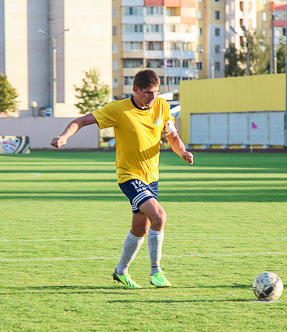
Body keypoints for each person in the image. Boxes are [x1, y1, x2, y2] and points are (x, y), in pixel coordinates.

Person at [51, 69, 194, 288]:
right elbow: (80, 120)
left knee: (141, 228)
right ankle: (156, 271)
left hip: (152, 178)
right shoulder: (118, 110)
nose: (153, 97)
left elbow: (172, 135)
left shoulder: (162, 106)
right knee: (159, 216)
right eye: (147, 92)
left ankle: (120, 272)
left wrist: (182, 151)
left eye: (156, 92)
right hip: (129, 177)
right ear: (135, 90)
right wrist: (63, 136)